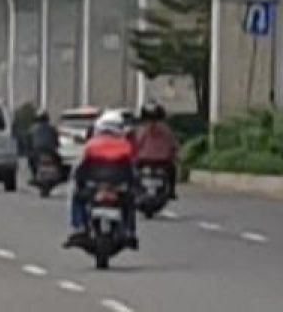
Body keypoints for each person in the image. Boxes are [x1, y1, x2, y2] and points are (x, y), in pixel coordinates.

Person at [63, 110, 138, 250]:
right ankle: (129, 229)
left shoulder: (91, 145)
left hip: (95, 187)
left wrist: (79, 184)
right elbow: (132, 171)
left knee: (77, 198)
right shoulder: (125, 146)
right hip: (116, 188)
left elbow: (80, 169)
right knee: (130, 203)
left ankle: (79, 226)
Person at [132, 102, 179, 200]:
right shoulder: (166, 130)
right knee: (172, 170)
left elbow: (136, 144)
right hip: (163, 161)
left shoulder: (142, 129)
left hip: (144, 160)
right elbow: (174, 145)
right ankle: (171, 191)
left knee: (132, 171)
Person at [27, 109, 61, 177]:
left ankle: (34, 174)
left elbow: (28, 142)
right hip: (49, 151)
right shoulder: (52, 128)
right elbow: (57, 141)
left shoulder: (32, 129)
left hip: (39, 151)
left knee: (30, 161)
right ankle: (59, 174)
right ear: (47, 118)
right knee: (59, 160)